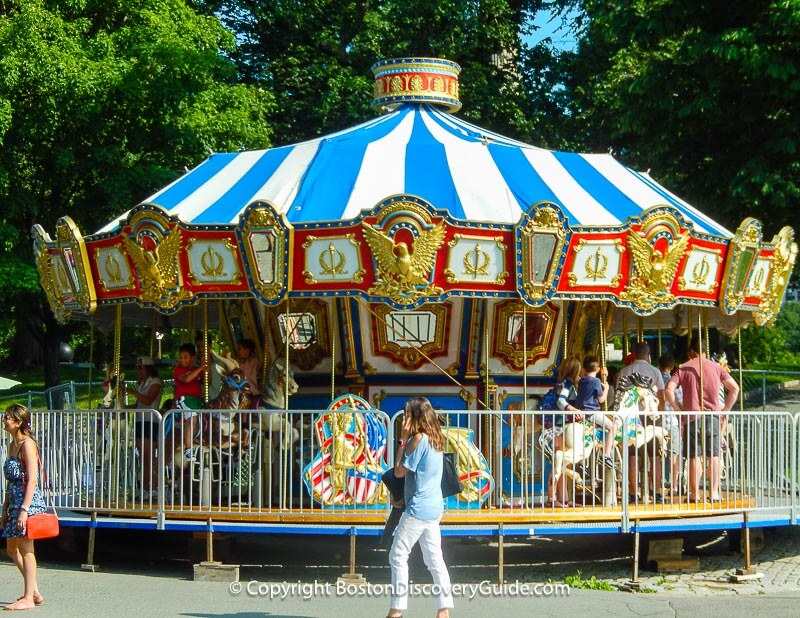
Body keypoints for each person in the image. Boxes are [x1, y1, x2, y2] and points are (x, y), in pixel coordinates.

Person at [387, 397, 452, 618]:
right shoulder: (437, 438)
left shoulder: (418, 440)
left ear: (415, 417)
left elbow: (398, 471)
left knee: (397, 555)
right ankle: (443, 610)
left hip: (419, 508)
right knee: (434, 558)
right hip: (434, 506)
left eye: (407, 414)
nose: (404, 419)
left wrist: (402, 440)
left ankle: (396, 610)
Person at [665, 338, 740, 502]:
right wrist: (725, 409)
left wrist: (677, 409)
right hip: (712, 416)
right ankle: (714, 492)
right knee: (713, 454)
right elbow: (735, 388)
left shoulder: (683, 368)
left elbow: (668, 390)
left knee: (694, 456)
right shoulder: (717, 368)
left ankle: (694, 493)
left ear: (692, 352)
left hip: (692, 417)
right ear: (706, 351)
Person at [2, 404, 47, 610]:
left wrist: (24, 508)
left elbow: (33, 478)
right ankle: (34, 591)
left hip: (27, 502)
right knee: (12, 549)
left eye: (8, 417)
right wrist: (5, 508)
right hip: (14, 500)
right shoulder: (12, 445)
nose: (4, 420)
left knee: (26, 548)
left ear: (19, 422)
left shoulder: (27, 444)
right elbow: (11, 481)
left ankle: (28, 598)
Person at [619, 342, 666, 501]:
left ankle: (633, 493)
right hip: (651, 416)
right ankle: (657, 491)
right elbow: (661, 396)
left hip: (631, 417)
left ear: (634, 354)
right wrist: (661, 414)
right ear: (648, 355)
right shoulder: (655, 371)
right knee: (655, 455)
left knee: (633, 455)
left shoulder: (624, 371)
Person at [122, 356, 163, 496]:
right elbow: (140, 404)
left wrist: (133, 392)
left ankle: (153, 486)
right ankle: (144, 487)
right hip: (140, 421)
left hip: (150, 421)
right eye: (137, 368)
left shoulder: (155, 382)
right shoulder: (143, 383)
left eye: (141, 367)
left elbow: (148, 400)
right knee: (142, 457)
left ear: (148, 368)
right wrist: (125, 407)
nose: (138, 370)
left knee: (149, 456)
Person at [574, 356, 616, 469]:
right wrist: (606, 388)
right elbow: (601, 399)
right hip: (591, 413)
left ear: (583, 368)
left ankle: (583, 461)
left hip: (581, 412)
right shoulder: (596, 381)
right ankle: (606, 455)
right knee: (612, 427)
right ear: (597, 369)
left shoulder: (582, 381)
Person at [173, 343, 206, 459]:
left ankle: (201, 437)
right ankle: (188, 448)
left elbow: (207, 381)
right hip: (185, 399)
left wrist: (205, 368)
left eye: (185, 357)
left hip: (197, 399)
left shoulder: (194, 370)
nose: (182, 360)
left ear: (192, 358)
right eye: (180, 357)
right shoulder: (178, 370)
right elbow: (186, 380)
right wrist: (201, 368)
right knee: (191, 418)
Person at [659, 353, 683, 493]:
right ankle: (674, 484)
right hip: (671, 422)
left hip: (656, 424)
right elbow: (680, 399)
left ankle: (656, 483)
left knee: (657, 454)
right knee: (674, 453)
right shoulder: (674, 382)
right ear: (672, 366)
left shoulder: (654, 378)